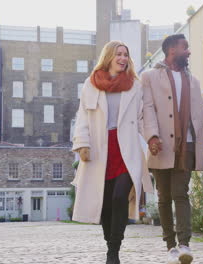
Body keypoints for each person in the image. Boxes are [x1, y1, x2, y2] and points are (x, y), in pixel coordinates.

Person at [141, 34, 203, 264]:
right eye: (184, 47)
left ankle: (184, 244)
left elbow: (199, 112)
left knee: (181, 194)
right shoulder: (149, 77)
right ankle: (170, 247)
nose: (188, 51)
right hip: (161, 145)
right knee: (164, 197)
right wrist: (152, 137)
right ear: (171, 50)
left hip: (186, 144)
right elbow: (147, 109)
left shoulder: (193, 81)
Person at [71, 40, 153, 264]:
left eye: (126, 54)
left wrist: (152, 138)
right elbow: (83, 117)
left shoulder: (135, 85)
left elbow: (142, 118)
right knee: (106, 202)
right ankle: (110, 243)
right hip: (100, 149)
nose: (123, 58)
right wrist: (82, 144)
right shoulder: (91, 83)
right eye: (119, 54)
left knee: (119, 197)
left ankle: (114, 250)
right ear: (108, 57)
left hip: (127, 148)